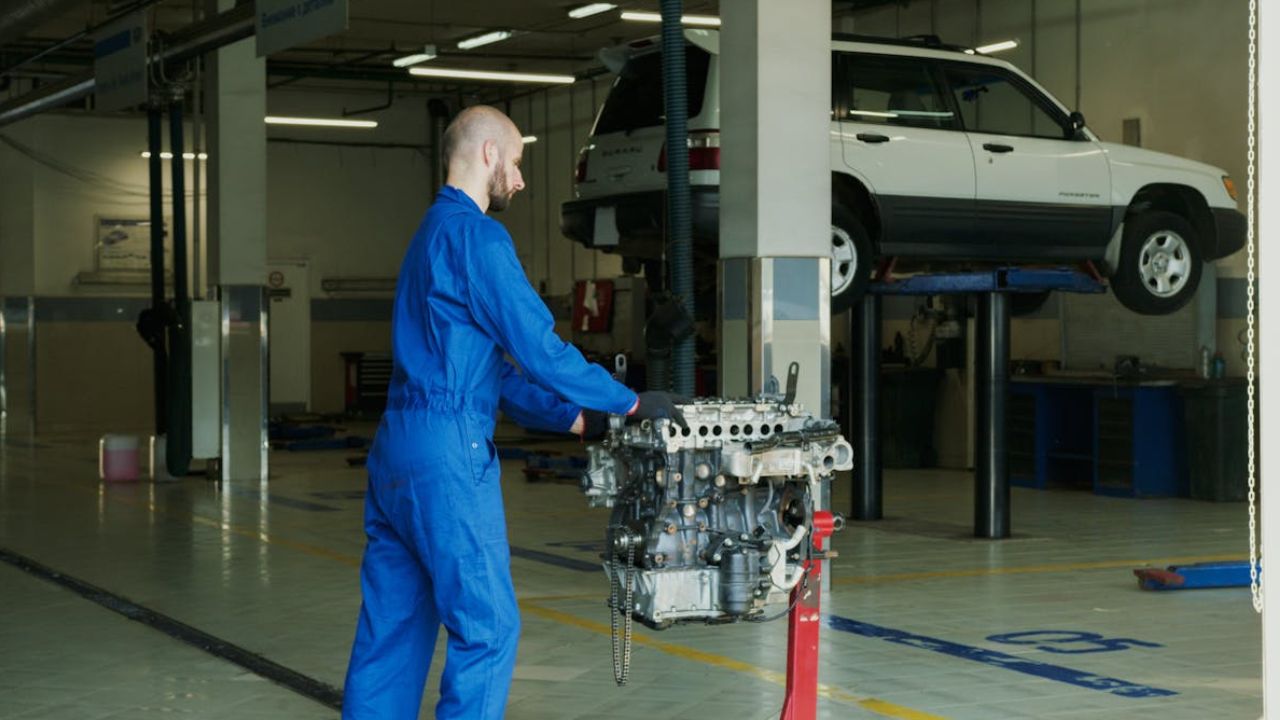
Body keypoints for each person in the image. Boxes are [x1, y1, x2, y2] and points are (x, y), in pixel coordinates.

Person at [341, 105, 686, 719]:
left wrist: (579, 421)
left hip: (397, 449)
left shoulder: (425, 239)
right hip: (448, 453)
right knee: (488, 629)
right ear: (489, 155)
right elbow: (541, 351)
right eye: (519, 162)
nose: (521, 181)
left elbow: (491, 372)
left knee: (392, 630)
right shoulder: (478, 237)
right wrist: (628, 402)